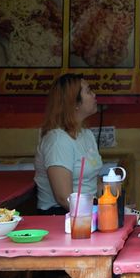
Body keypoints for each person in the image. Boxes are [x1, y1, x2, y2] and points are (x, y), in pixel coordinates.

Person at [34, 73, 104, 214]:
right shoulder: (58, 140)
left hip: (89, 210)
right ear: (75, 103)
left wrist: (114, 204)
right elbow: (63, 197)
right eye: (89, 91)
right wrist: (97, 217)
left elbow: (92, 182)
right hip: (62, 215)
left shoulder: (86, 134)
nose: (94, 95)